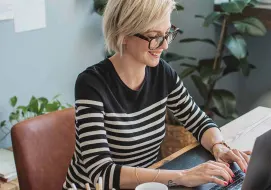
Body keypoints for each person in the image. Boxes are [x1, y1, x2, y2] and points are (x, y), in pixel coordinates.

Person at [62, 0, 251, 189]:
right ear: (124, 34)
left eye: (168, 33)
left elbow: (199, 121)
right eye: (155, 37)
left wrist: (219, 147)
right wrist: (182, 176)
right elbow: (100, 173)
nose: (165, 45)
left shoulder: (162, 73)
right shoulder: (92, 84)